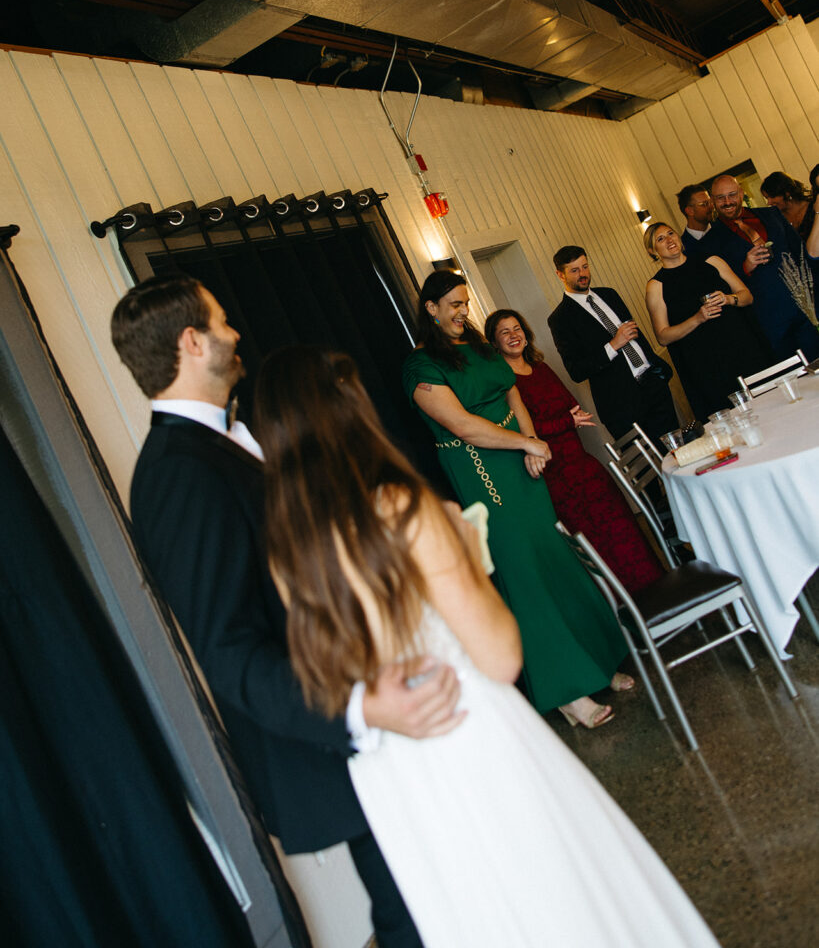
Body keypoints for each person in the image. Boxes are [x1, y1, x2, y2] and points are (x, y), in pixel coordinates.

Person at [253, 344, 721, 948]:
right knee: (554, 892)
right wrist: (467, 560)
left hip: (394, 769)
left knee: (470, 911)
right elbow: (501, 655)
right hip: (466, 729)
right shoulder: (402, 507)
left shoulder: (288, 545)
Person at [111, 274, 465, 948]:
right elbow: (227, 648)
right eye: (221, 322)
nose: (236, 333)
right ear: (192, 342)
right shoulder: (176, 474)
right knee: (416, 917)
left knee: (437, 900)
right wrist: (361, 707)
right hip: (341, 732)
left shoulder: (238, 438)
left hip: (382, 707)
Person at [402, 268, 631, 729]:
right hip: (480, 470)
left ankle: (597, 661)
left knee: (556, 562)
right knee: (524, 577)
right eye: (453, 306)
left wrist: (532, 443)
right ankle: (566, 692)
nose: (462, 312)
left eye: (465, 303)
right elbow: (463, 425)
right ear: (430, 309)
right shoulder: (420, 366)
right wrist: (523, 444)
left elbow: (513, 394)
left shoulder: (480, 346)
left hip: (524, 463)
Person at [485, 308, 663, 593]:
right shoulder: (504, 381)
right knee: (594, 544)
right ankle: (626, 605)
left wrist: (569, 417)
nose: (513, 336)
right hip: (557, 478)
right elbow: (523, 431)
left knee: (623, 530)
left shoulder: (541, 367)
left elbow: (569, 402)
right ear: (494, 343)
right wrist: (566, 421)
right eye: (504, 332)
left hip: (583, 465)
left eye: (517, 328)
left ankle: (657, 591)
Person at [548, 245, 678, 453]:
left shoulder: (609, 294)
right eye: (574, 270)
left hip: (654, 386)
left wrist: (658, 373)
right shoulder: (560, 319)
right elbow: (576, 371)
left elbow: (637, 336)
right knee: (651, 472)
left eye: (585, 267)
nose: (583, 274)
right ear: (560, 274)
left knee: (679, 451)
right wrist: (613, 345)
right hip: (622, 406)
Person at [643, 222, 772, 420]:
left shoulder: (711, 261)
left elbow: (747, 296)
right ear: (653, 251)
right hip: (706, 365)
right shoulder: (656, 286)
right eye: (661, 239)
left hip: (741, 347)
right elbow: (663, 336)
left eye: (671, 233)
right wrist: (697, 318)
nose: (669, 240)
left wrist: (729, 299)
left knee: (768, 403)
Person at [708, 174, 819, 359]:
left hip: (805, 310)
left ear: (742, 193)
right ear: (712, 200)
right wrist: (746, 267)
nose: (727, 202)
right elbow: (720, 288)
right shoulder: (709, 243)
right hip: (768, 325)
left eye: (732, 195)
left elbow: (800, 253)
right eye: (720, 198)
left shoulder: (772, 214)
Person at [761, 169, 819, 259]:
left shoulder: (814, 206)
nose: (769, 202)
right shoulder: (777, 220)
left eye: (772, 197)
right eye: (766, 198)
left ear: (787, 193)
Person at [677, 183, 715, 256]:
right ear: (690, 211)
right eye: (704, 204)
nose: (711, 207)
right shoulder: (683, 248)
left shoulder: (724, 227)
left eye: (710, 202)